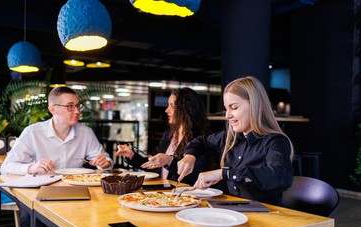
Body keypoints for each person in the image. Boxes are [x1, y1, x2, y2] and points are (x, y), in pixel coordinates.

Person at [0, 86, 113, 227]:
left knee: (103, 213)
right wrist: (32, 167)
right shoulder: (32, 132)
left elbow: (103, 159)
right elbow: (6, 167)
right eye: (70, 106)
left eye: (77, 106)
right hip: (38, 193)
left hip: (76, 191)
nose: (76, 111)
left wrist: (105, 163)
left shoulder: (85, 133)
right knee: (29, 219)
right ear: (53, 109)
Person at [177, 76, 294, 207]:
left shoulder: (274, 141)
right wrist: (189, 156)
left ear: (254, 106)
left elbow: (282, 177)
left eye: (234, 107)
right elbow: (201, 141)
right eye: (227, 108)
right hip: (233, 211)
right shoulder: (230, 138)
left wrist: (225, 173)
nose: (227, 115)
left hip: (266, 217)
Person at [115, 87, 211, 185]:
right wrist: (131, 155)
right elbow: (153, 162)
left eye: (172, 106)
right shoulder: (169, 133)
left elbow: (197, 176)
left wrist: (169, 161)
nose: (166, 110)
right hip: (164, 193)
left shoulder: (201, 138)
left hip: (186, 195)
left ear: (186, 109)